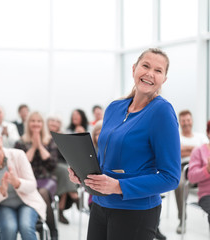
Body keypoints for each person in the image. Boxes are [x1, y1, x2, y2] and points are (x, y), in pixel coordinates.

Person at [68, 48, 181, 240]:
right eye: (145, 66)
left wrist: (118, 186)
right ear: (134, 69)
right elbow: (103, 158)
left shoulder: (162, 112)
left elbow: (171, 177)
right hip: (100, 204)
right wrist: (82, 171)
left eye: (158, 70)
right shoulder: (114, 107)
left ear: (164, 79)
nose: (150, 73)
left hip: (135, 211)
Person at [0, 126, 47, 240]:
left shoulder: (18, 155)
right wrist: (1, 190)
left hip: (26, 203)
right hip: (3, 206)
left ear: (1, 139)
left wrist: (17, 183)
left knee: (26, 227)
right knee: (9, 228)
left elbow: (32, 185)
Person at [14, 111, 59, 239]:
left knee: (43, 193)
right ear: (28, 123)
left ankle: (52, 230)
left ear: (42, 124)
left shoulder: (50, 141)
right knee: (35, 192)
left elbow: (52, 165)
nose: (36, 124)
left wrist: (39, 145)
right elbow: (21, 164)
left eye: (38, 121)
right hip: (28, 179)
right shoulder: (20, 142)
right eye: (33, 121)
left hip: (47, 178)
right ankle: (37, 225)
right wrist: (33, 147)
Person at [175, 110, 209, 234]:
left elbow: (206, 152)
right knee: (179, 185)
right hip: (184, 168)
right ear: (180, 122)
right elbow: (176, 153)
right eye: (183, 121)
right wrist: (196, 150)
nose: (186, 123)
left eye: (188, 120)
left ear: (192, 121)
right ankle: (182, 220)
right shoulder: (176, 137)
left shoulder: (201, 137)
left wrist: (186, 149)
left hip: (202, 167)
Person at [46, 114, 79, 224]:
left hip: (62, 166)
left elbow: (68, 155)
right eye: (52, 120)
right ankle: (75, 196)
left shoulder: (62, 136)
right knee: (65, 171)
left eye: (57, 121)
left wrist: (62, 141)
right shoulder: (43, 136)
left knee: (66, 174)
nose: (54, 123)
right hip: (49, 166)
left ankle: (60, 212)